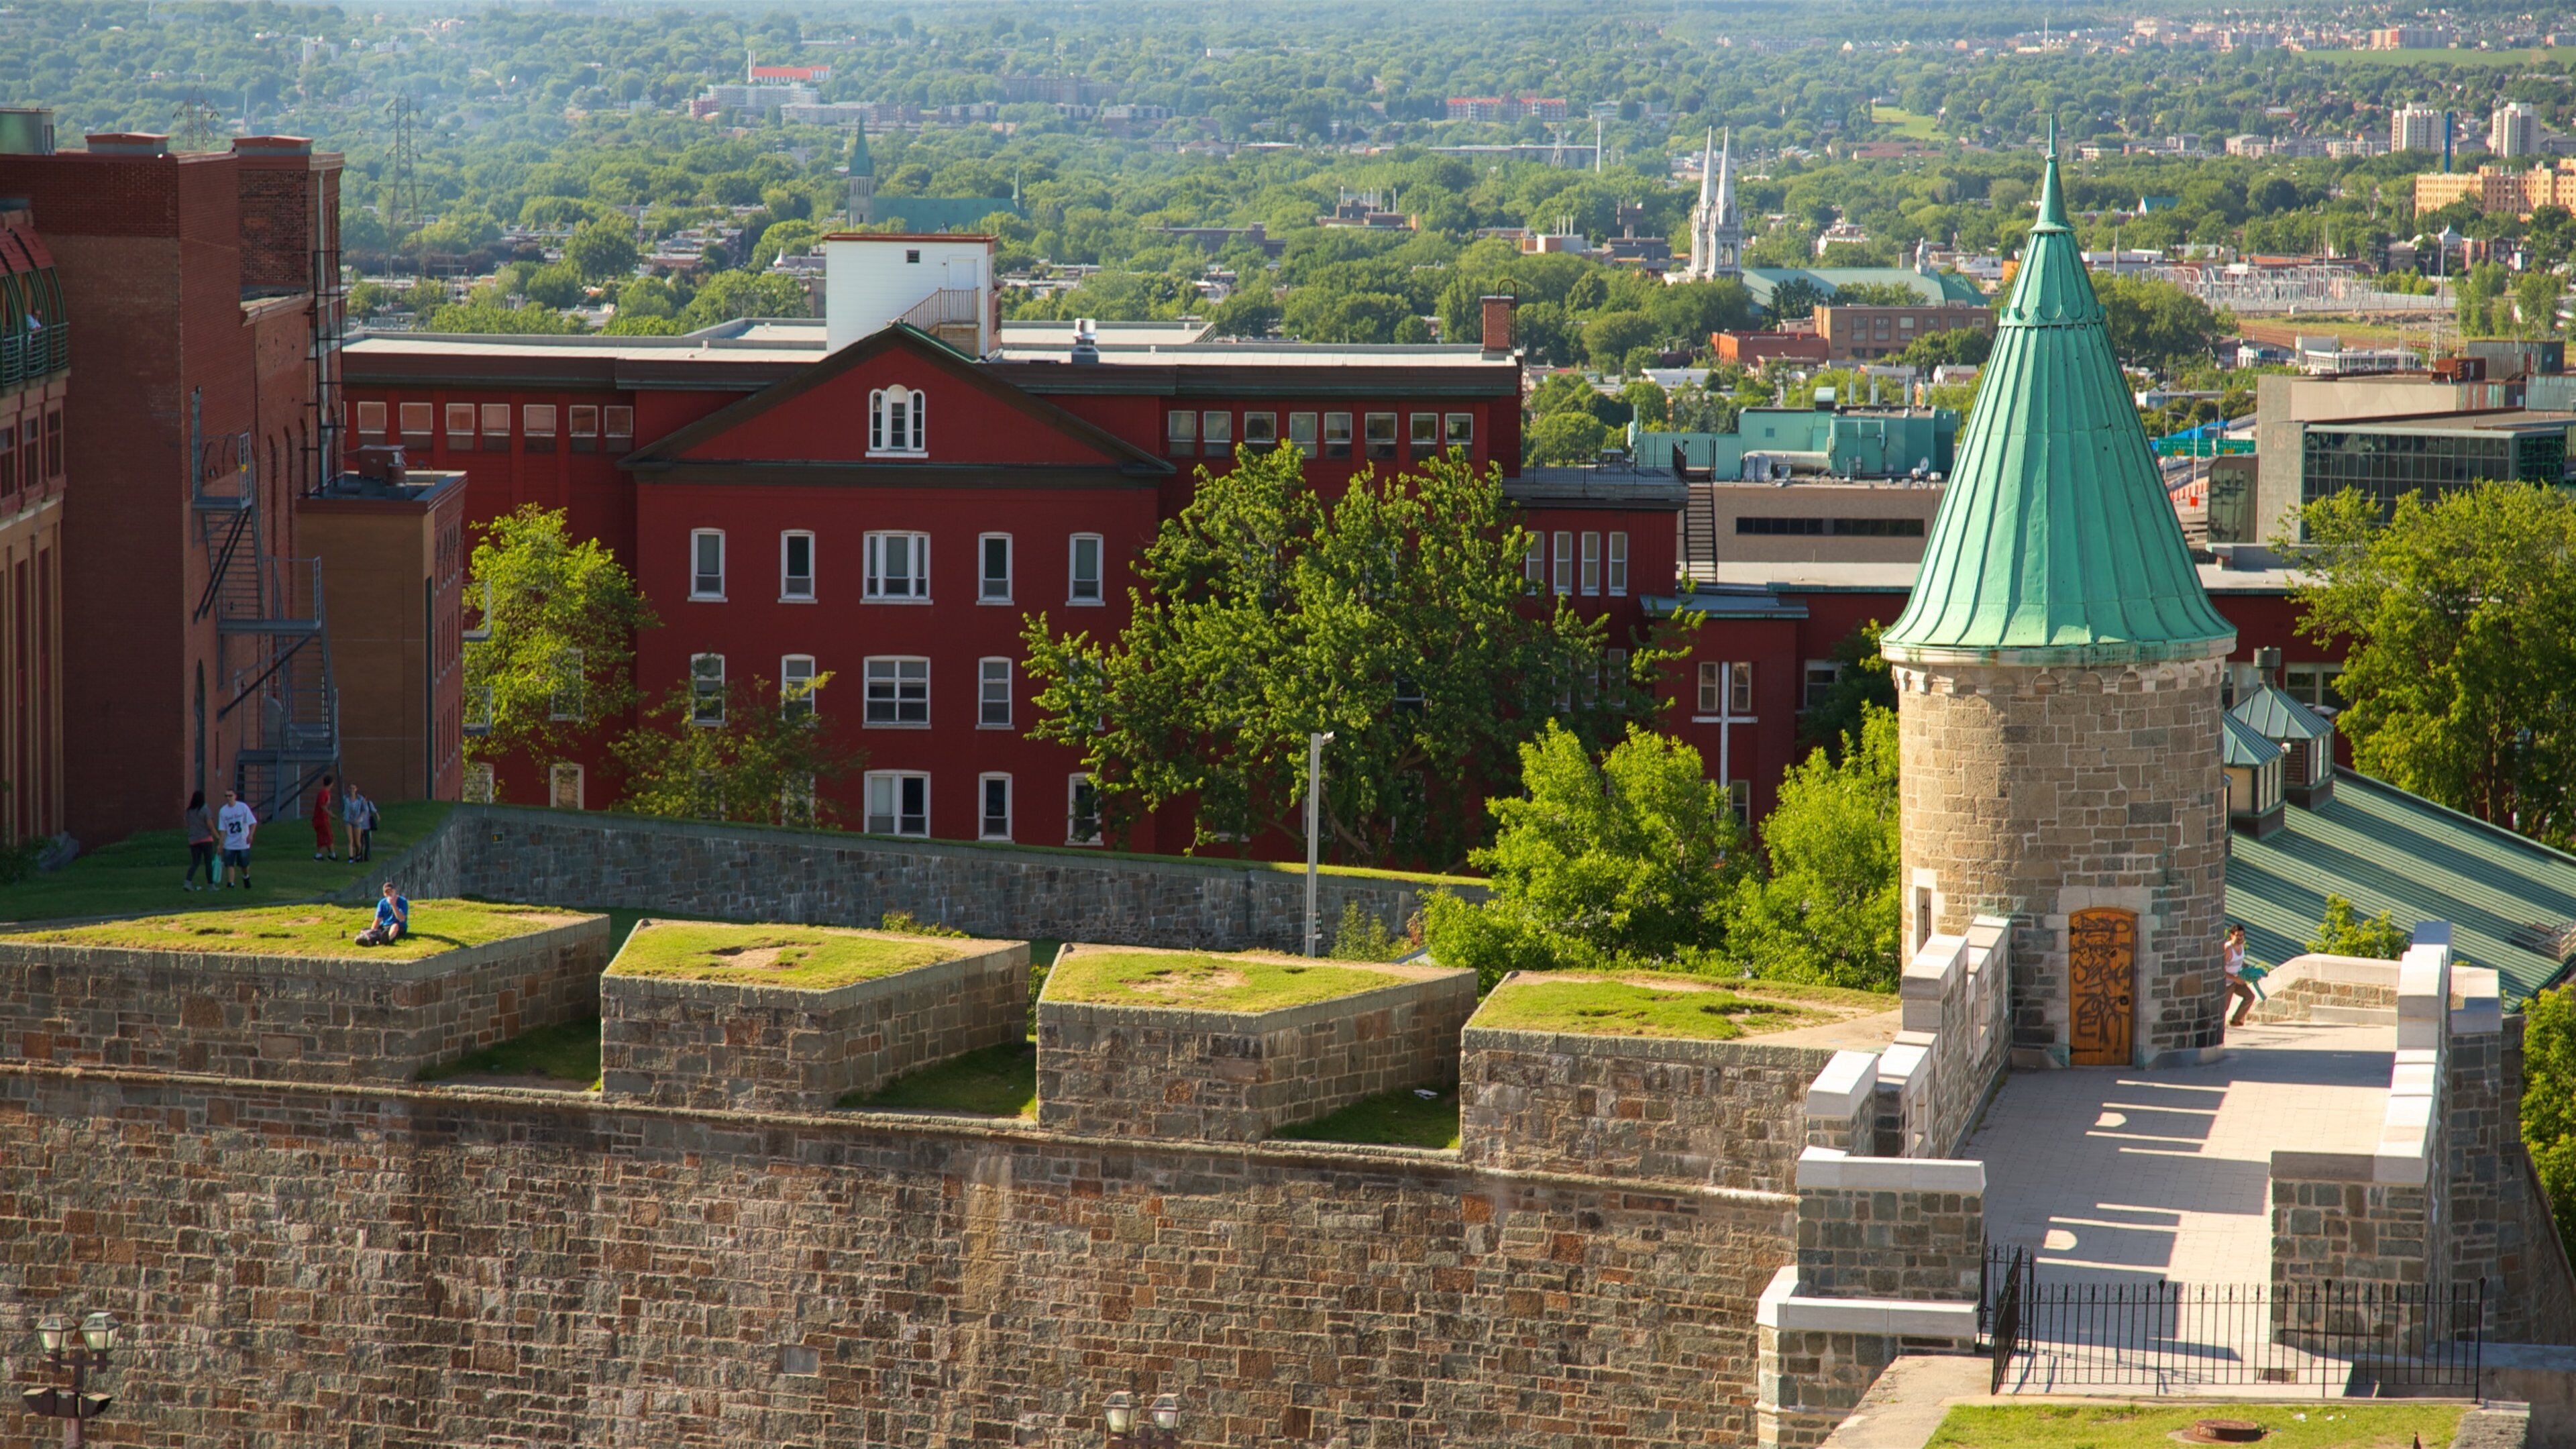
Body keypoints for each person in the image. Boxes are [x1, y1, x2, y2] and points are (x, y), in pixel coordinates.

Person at [215, 789, 258, 891]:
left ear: (235, 796)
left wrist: (250, 835)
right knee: (229, 863)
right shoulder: (223, 811)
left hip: (242, 841)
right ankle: (231, 883)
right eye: (226, 796)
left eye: (230, 796)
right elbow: (223, 829)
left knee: (244, 864)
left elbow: (253, 822)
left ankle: (246, 876)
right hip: (230, 842)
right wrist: (221, 844)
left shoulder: (242, 807)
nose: (228, 798)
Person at [355, 881, 409, 947]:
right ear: (384, 894)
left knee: (395, 926)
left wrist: (393, 905)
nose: (389, 894)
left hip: (399, 925)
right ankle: (369, 939)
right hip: (385, 925)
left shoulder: (402, 901)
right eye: (387, 892)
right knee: (372, 930)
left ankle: (388, 940)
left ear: (394, 891)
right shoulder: (382, 903)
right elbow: (378, 919)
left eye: (391, 891)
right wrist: (373, 931)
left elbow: (401, 919)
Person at [2224, 922, 2257, 1028]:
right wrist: (2234, 978)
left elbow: (2240, 962)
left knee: (2250, 997)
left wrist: (2251, 972)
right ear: (2232, 935)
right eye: (2238, 935)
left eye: (2242, 935)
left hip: (2237, 980)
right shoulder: (2228, 949)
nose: (2240, 938)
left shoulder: (2241, 946)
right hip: (2227, 983)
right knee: (2224, 1008)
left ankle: (2236, 1020)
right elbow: (2219, 970)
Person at [181, 790, 216, 890]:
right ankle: (210, 885)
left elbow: (188, 823)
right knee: (208, 862)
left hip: (193, 839)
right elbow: (210, 825)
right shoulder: (205, 810)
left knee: (195, 862)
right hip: (206, 839)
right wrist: (217, 835)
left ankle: (188, 882)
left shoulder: (189, 811)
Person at [341, 783, 374, 864]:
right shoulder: (345, 798)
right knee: (350, 840)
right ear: (348, 789)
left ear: (356, 789)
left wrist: (359, 818)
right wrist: (341, 820)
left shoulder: (360, 799)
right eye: (351, 788)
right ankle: (351, 857)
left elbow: (364, 810)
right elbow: (342, 809)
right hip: (348, 820)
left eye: (354, 788)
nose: (352, 790)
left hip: (357, 821)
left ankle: (358, 854)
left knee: (357, 842)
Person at [311, 773, 337, 862]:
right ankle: (320, 856)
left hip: (323, 819)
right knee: (328, 838)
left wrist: (330, 813)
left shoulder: (327, 793)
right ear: (331, 783)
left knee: (325, 837)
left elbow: (327, 806)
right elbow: (322, 806)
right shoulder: (323, 793)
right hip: (321, 819)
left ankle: (331, 855)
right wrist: (331, 814)